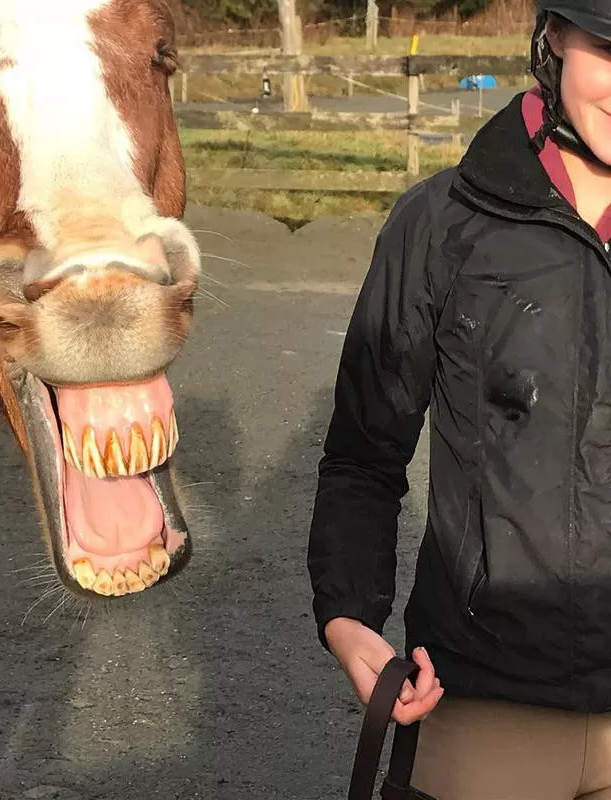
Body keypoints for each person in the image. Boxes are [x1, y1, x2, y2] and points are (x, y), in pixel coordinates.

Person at [307, 1, 611, 797]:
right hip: (486, 698)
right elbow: (364, 452)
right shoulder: (442, 223)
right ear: (552, 39)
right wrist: (348, 613)